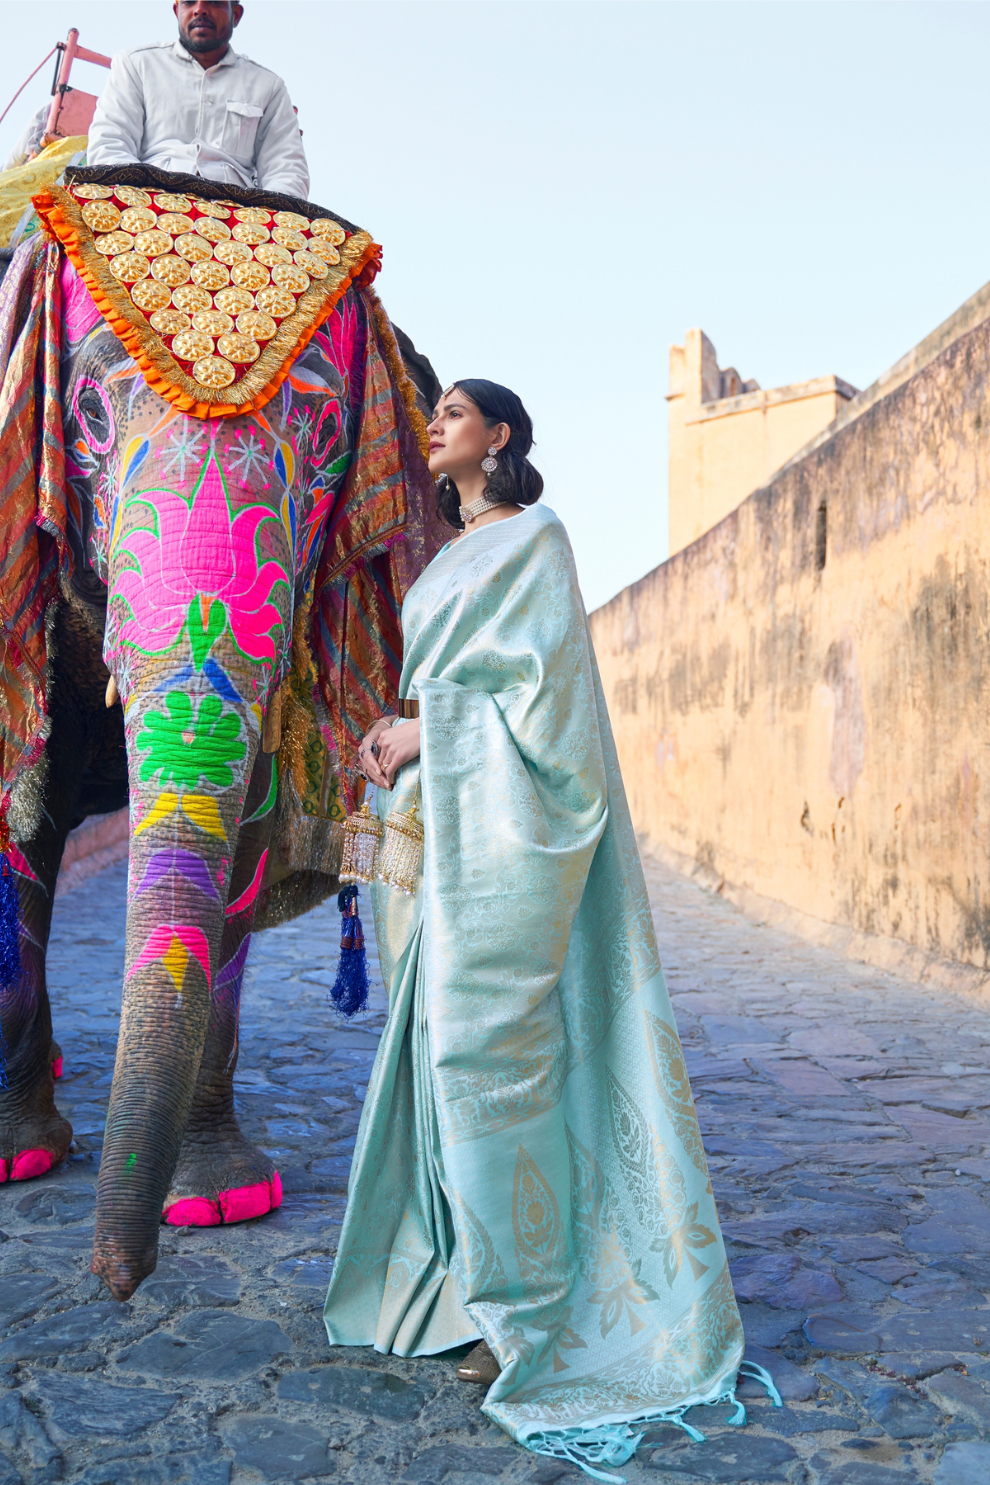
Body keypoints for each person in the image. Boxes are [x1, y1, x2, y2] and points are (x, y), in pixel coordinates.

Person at [322, 380, 777, 1480]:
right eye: (434, 412)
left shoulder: (536, 541)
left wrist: (431, 730)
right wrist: (388, 746)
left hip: (500, 836)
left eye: (457, 412)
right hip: (428, 831)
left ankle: (524, 1313)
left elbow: (551, 713)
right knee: (427, 1053)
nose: (437, 423)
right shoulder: (439, 560)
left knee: (492, 1057)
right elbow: (430, 692)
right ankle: (452, 1273)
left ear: (504, 436)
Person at [87, 0, 308, 197]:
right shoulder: (136, 64)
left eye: (214, 2)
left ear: (236, 14)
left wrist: (260, 226)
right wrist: (141, 203)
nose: (200, 10)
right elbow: (109, 144)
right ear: (176, 11)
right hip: (147, 207)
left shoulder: (268, 86)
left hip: (236, 223)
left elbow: (286, 171)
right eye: (189, 2)